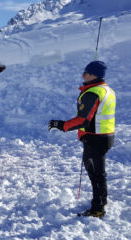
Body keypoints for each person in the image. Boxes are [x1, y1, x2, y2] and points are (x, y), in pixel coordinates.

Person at [49, 61, 115, 218]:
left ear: (93, 74)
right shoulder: (107, 90)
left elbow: (83, 120)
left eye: (85, 73)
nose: (82, 75)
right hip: (105, 136)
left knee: (95, 174)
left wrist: (62, 125)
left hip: (95, 139)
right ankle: (101, 201)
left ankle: (98, 209)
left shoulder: (93, 93)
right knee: (99, 173)